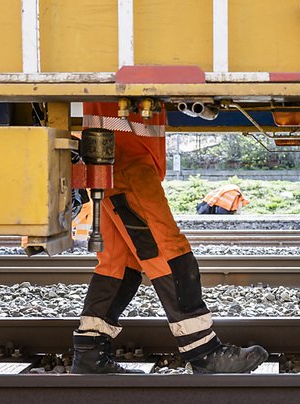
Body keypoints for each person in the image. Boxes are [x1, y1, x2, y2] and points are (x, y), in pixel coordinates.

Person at [72, 102, 268, 374]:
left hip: (113, 158)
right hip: (127, 159)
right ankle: (203, 352)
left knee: (119, 263)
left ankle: (89, 353)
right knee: (168, 252)